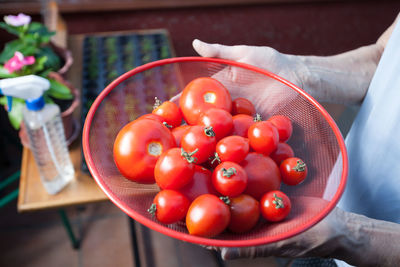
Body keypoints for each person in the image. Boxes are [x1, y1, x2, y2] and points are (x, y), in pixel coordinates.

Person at [190, 12, 400, 267]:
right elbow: (383, 58)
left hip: (347, 239)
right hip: (331, 218)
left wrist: (353, 237)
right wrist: (297, 72)